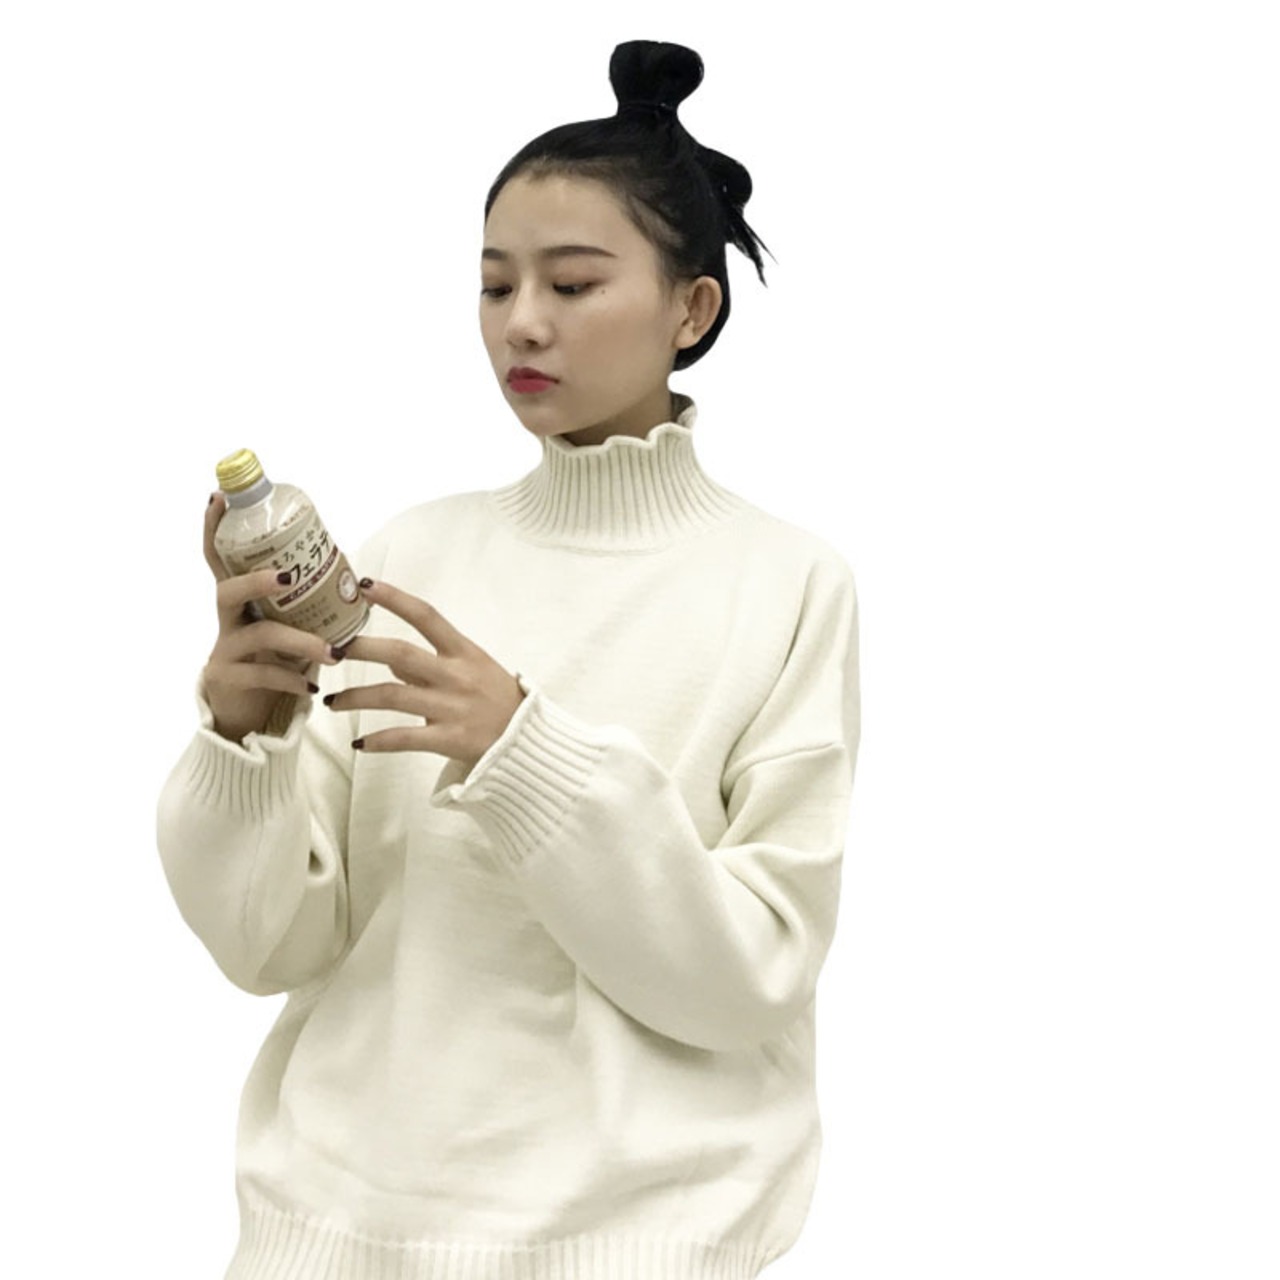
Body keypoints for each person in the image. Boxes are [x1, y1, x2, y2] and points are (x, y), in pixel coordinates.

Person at [158, 38, 861, 1280]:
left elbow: (749, 975)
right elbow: (272, 946)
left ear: (691, 308)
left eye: (572, 282)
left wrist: (524, 755)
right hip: (328, 1235)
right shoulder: (409, 555)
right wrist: (241, 737)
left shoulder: (786, 583)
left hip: (629, 1247)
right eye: (493, 285)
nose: (520, 321)